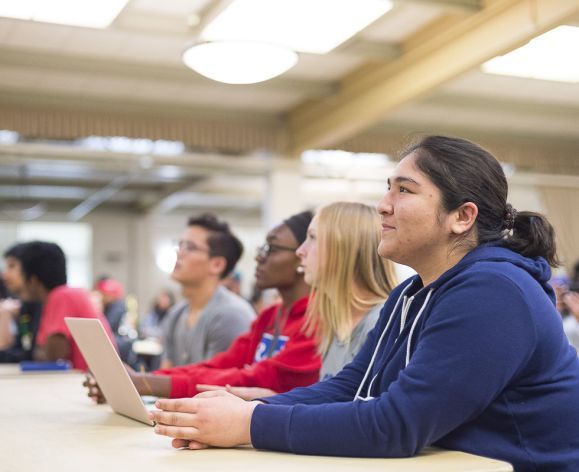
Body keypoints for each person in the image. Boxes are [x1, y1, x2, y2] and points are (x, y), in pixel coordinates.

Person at [150, 136, 579, 471]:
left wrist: (247, 424)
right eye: (387, 188)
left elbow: (398, 425)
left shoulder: (495, 292)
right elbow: (351, 388)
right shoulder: (410, 294)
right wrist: (243, 409)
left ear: (461, 217)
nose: (383, 205)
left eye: (405, 190)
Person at [84, 211, 320, 401]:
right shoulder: (270, 315)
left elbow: (250, 379)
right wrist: (138, 381)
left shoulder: (236, 314)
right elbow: (220, 365)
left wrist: (143, 383)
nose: (259, 257)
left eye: (272, 249)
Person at [211, 202, 397, 400]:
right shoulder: (336, 323)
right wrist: (270, 398)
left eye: (313, 238)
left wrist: (269, 406)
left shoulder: (381, 323)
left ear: (343, 246)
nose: (300, 251)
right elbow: (332, 407)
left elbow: (360, 418)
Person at [159, 214, 254, 369]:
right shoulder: (176, 313)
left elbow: (214, 386)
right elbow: (165, 376)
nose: (179, 253)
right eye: (180, 244)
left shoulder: (230, 316)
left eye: (189, 247)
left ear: (217, 264)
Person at [2, 241, 115, 370]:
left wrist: (41, 350)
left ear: (33, 279)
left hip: (85, 380)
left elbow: (53, 355)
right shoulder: (61, 296)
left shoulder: (61, 296)